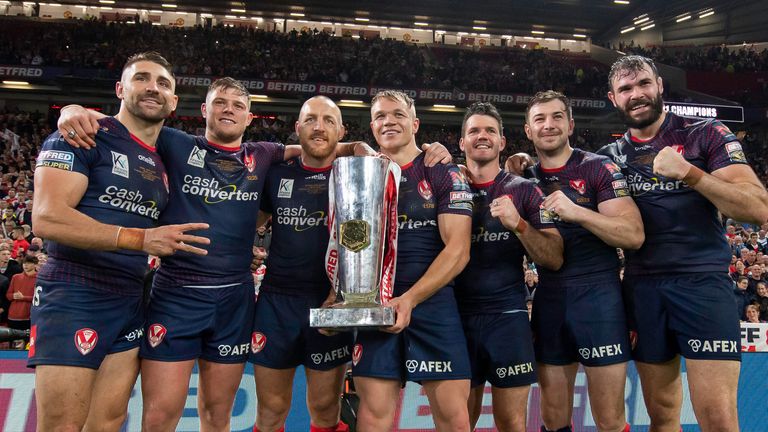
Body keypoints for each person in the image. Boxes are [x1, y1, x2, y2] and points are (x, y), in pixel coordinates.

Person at [30, 52, 210, 432]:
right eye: (142, 78)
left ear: (174, 102)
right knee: (62, 425)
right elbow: (46, 218)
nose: (153, 88)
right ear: (120, 89)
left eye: (163, 83)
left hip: (130, 299)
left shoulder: (164, 158)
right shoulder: (83, 134)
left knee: (109, 422)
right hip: (73, 290)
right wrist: (141, 238)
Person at [599, 55, 768, 431]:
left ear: (660, 86)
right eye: (626, 89)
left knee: (719, 420)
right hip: (642, 289)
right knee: (662, 418)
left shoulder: (704, 133)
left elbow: (758, 208)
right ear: (613, 99)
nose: (636, 94)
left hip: (702, 284)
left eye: (644, 84)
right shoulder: (608, 159)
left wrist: (691, 173)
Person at [352, 90, 473, 431]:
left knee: (454, 419)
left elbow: (459, 249)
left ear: (415, 123)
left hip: (433, 305)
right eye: (380, 116)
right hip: (376, 305)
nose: (388, 121)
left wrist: (409, 299)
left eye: (398, 114)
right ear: (372, 126)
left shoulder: (441, 172)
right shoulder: (362, 176)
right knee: (373, 417)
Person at [454, 102, 564, 431]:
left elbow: (554, 257)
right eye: (474, 130)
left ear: (503, 142)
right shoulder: (446, 188)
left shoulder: (525, 190)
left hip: (508, 319)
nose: (482, 136)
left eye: (490, 130)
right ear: (462, 143)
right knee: (458, 422)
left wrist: (519, 225)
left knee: (511, 423)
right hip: (454, 320)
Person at [5, 255, 37, 348]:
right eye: (24, 263)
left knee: (28, 344)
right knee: (13, 343)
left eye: (29, 263)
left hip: (29, 316)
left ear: (35, 265)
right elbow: (8, 295)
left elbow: (39, 298)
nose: (25, 265)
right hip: (13, 316)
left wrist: (23, 297)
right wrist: (13, 296)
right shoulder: (16, 277)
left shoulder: (39, 278)